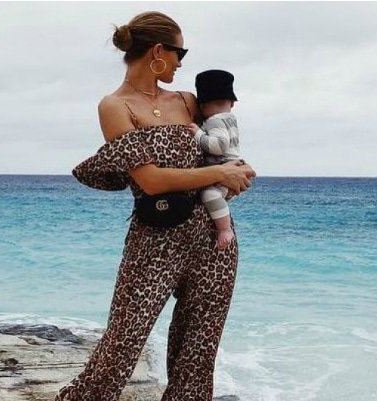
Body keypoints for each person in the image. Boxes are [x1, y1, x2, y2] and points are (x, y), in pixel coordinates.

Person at [55, 11, 256, 401]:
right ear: (158, 51)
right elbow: (150, 180)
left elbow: (221, 148)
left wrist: (237, 172)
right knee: (122, 343)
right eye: (180, 52)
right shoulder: (115, 106)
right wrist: (220, 175)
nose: (182, 63)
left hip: (213, 238)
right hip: (154, 239)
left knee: (198, 352)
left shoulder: (186, 101)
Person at [188, 69, 242, 250]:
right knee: (216, 196)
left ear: (202, 106)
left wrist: (198, 134)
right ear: (232, 103)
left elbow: (219, 146)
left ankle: (224, 229)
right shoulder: (230, 119)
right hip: (233, 165)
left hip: (222, 166)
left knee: (209, 195)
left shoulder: (214, 121)